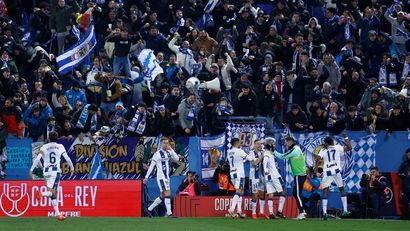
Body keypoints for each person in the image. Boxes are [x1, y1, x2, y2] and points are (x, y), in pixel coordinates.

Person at [29, 131, 74, 221]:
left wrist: (31, 170)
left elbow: (37, 159)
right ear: (57, 138)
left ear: (49, 138)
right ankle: (41, 194)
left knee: (53, 195)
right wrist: (72, 168)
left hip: (46, 172)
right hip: (55, 172)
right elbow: (67, 159)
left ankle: (58, 214)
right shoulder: (60, 146)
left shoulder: (44, 147)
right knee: (53, 192)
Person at [143, 137, 184, 217]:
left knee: (162, 196)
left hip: (167, 177)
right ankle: (169, 213)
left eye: (167, 143)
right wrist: (146, 177)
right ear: (161, 144)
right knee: (167, 193)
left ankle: (148, 210)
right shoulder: (157, 154)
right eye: (164, 143)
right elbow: (152, 166)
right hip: (161, 177)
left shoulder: (169, 152)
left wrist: (171, 150)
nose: (166, 144)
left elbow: (177, 158)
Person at [315, 134, 352, 220]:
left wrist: (317, 170)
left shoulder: (323, 150)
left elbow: (317, 159)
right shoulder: (337, 147)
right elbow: (349, 147)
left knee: (325, 192)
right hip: (336, 171)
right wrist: (346, 137)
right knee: (341, 189)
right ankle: (345, 210)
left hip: (327, 172)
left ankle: (324, 213)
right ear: (332, 142)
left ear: (326, 143)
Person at [227, 138, 263, 218]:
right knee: (239, 191)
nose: (241, 144)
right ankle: (231, 209)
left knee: (241, 191)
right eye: (240, 142)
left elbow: (239, 159)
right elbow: (253, 161)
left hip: (232, 173)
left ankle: (239, 211)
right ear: (236, 143)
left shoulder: (229, 152)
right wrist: (262, 155)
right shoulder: (239, 151)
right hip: (239, 174)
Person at [274, 136, 307, 220]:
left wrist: (272, 151)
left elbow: (281, 156)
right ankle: (302, 212)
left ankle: (302, 212)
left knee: (296, 194)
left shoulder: (294, 150)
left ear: (289, 142)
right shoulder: (296, 148)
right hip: (300, 175)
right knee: (296, 194)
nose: (285, 144)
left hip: (299, 175)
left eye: (285, 142)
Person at [263, 137, 286, 219]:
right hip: (275, 176)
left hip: (268, 177)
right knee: (283, 192)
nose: (275, 145)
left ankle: (271, 214)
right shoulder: (267, 153)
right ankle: (279, 211)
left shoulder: (270, 153)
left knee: (271, 194)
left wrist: (266, 171)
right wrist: (265, 169)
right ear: (270, 144)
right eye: (273, 143)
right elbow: (264, 163)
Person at [248, 139, 266, 219]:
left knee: (262, 194)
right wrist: (262, 156)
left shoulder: (264, 152)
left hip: (262, 176)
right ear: (254, 145)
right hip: (254, 177)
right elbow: (255, 163)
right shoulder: (251, 153)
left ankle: (261, 212)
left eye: (261, 144)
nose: (260, 145)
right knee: (255, 195)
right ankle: (254, 212)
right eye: (258, 144)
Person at [399, 148, 410, 220]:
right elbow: (400, 174)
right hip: (406, 187)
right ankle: (405, 217)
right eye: (408, 155)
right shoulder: (404, 164)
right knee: (405, 204)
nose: (409, 156)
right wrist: (402, 175)